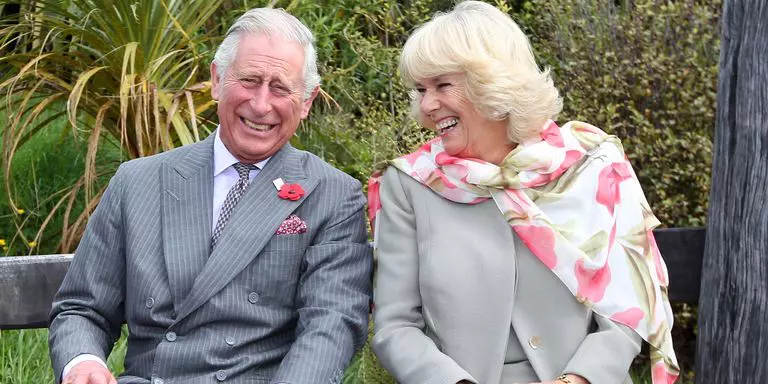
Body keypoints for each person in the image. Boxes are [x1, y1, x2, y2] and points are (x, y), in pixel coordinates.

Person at [49, 7, 373, 384]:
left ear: (306, 102)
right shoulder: (137, 181)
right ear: (217, 80)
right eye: (250, 80)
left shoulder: (333, 194)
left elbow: (330, 325)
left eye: (281, 88)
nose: (261, 104)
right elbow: (82, 308)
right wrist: (83, 362)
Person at [367, 2, 678, 384]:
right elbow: (396, 325)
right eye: (421, 90)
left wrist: (578, 380)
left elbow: (626, 306)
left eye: (443, 85)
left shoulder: (592, 164)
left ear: (492, 82)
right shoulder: (409, 184)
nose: (428, 105)